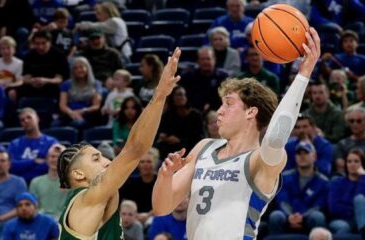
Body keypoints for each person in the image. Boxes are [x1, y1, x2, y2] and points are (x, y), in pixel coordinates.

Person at [152, 28, 321, 239]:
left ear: (251, 112)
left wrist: (303, 75)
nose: (219, 111)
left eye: (228, 104)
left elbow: (276, 136)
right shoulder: (204, 147)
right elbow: (161, 208)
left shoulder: (260, 160)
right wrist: (165, 177)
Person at [56, 48, 181, 239]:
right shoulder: (86, 198)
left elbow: (134, 148)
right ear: (78, 174)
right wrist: (160, 95)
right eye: (96, 158)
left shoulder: (97, 200)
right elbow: (135, 150)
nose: (107, 160)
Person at [268, 141, 329, 235]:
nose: (302, 156)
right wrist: (290, 216)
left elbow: (319, 205)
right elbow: (282, 201)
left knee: (318, 216)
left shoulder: (323, 181)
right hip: (288, 218)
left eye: (306, 153)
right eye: (299, 153)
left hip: (309, 218)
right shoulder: (284, 177)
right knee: (276, 216)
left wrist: (303, 217)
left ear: (314, 157)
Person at [8, 108, 58, 183]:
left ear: (37, 119)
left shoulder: (51, 142)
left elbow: (51, 165)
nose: (26, 121)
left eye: (29, 117)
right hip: (19, 183)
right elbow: (11, 166)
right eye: (22, 120)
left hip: (44, 182)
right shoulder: (14, 144)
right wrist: (34, 162)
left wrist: (23, 166)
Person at [56, 57, 103, 129]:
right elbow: (62, 105)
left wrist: (82, 111)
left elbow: (96, 105)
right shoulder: (66, 84)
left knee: (79, 124)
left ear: (87, 68)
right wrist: (72, 113)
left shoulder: (96, 84)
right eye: (75, 68)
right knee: (55, 125)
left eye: (81, 67)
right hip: (69, 114)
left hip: (88, 114)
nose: (79, 70)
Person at [328, 148, 365, 236]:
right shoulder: (337, 182)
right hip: (341, 220)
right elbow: (334, 208)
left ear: (362, 164)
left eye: (356, 161)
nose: (352, 164)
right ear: (346, 164)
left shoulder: (363, 182)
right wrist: (354, 210)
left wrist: (362, 178)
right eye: (349, 161)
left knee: (359, 199)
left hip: (360, 220)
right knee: (344, 227)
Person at [120, 147, 160, 224]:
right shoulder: (130, 182)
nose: (145, 165)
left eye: (149, 162)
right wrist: (133, 215)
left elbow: (163, 204)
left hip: (154, 216)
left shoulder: (160, 181)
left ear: (155, 163)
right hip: (133, 216)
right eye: (142, 162)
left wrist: (147, 216)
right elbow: (124, 202)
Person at [29, 144, 67, 220]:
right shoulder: (35, 182)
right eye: (52, 156)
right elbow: (32, 207)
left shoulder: (71, 183)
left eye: (59, 157)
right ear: (47, 159)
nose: (55, 160)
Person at [334, 106, 365, 175]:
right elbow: (340, 170)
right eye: (351, 121)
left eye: (359, 121)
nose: (355, 124)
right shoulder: (342, 144)